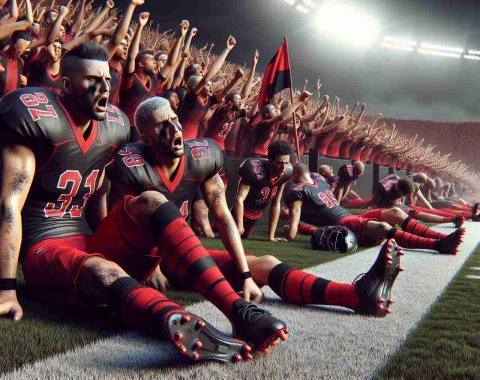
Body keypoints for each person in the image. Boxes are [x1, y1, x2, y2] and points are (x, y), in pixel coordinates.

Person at [0, 42, 288, 363]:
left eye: (107, 80)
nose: (103, 89)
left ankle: (238, 310)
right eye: (92, 81)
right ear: (66, 85)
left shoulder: (115, 124)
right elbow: (9, 204)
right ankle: (176, 322)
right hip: (43, 246)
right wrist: (7, 287)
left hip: (88, 239)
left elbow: (99, 195)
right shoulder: (35, 114)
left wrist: (120, 241)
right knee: (101, 268)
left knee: (151, 199)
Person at [106, 97, 402, 318]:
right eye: (162, 126)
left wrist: (245, 275)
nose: (174, 129)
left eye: (174, 119)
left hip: (181, 249)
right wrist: (150, 266)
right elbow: (118, 226)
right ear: (145, 137)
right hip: (141, 257)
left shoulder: (202, 156)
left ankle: (355, 295)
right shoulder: (131, 164)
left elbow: (223, 216)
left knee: (265, 263)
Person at [283, 164, 465, 255]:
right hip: (342, 224)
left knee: (396, 213)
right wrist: (291, 223)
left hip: (346, 215)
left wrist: (288, 219)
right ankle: (438, 245)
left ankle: (443, 237)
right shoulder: (315, 180)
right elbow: (291, 232)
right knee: (383, 227)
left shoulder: (304, 186)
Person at [232, 140, 293, 241]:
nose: (283, 168)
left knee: (245, 237)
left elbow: (276, 203)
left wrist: (271, 237)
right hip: (240, 212)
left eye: (286, 163)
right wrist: (239, 224)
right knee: (226, 234)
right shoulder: (253, 169)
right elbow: (239, 199)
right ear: (270, 159)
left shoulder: (287, 173)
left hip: (255, 214)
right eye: (280, 163)